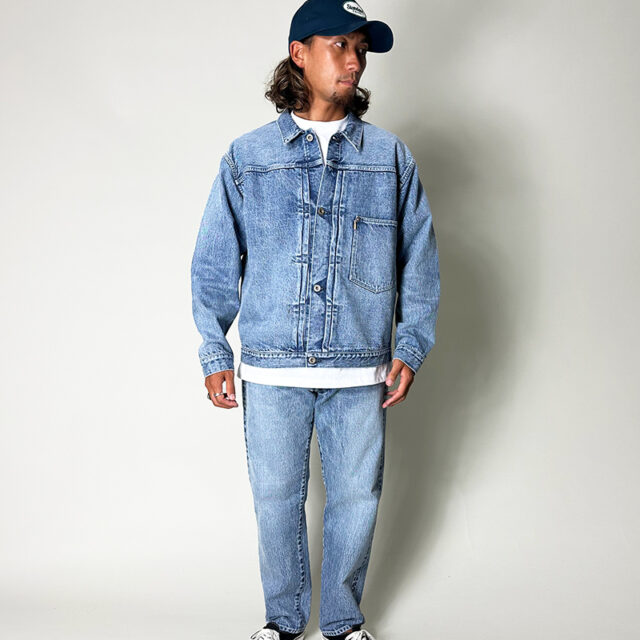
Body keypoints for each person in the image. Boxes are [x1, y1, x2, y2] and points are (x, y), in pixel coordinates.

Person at [190, 1, 440, 638]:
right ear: (299, 53)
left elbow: (419, 260)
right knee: (276, 503)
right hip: (272, 368)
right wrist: (215, 351)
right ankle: (282, 621)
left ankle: (343, 623)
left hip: (361, 370)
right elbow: (214, 262)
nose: (354, 61)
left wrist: (410, 345)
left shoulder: (389, 157)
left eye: (361, 48)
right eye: (340, 45)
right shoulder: (248, 157)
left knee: (357, 501)